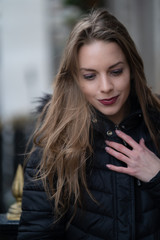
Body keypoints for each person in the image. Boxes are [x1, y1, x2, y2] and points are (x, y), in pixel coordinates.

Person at [18, 8, 160, 240]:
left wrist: (157, 176)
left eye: (115, 71)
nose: (105, 87)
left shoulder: (156, 125)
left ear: (132, 70)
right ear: (75, 78)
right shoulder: (56, 141)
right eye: (90, 76)